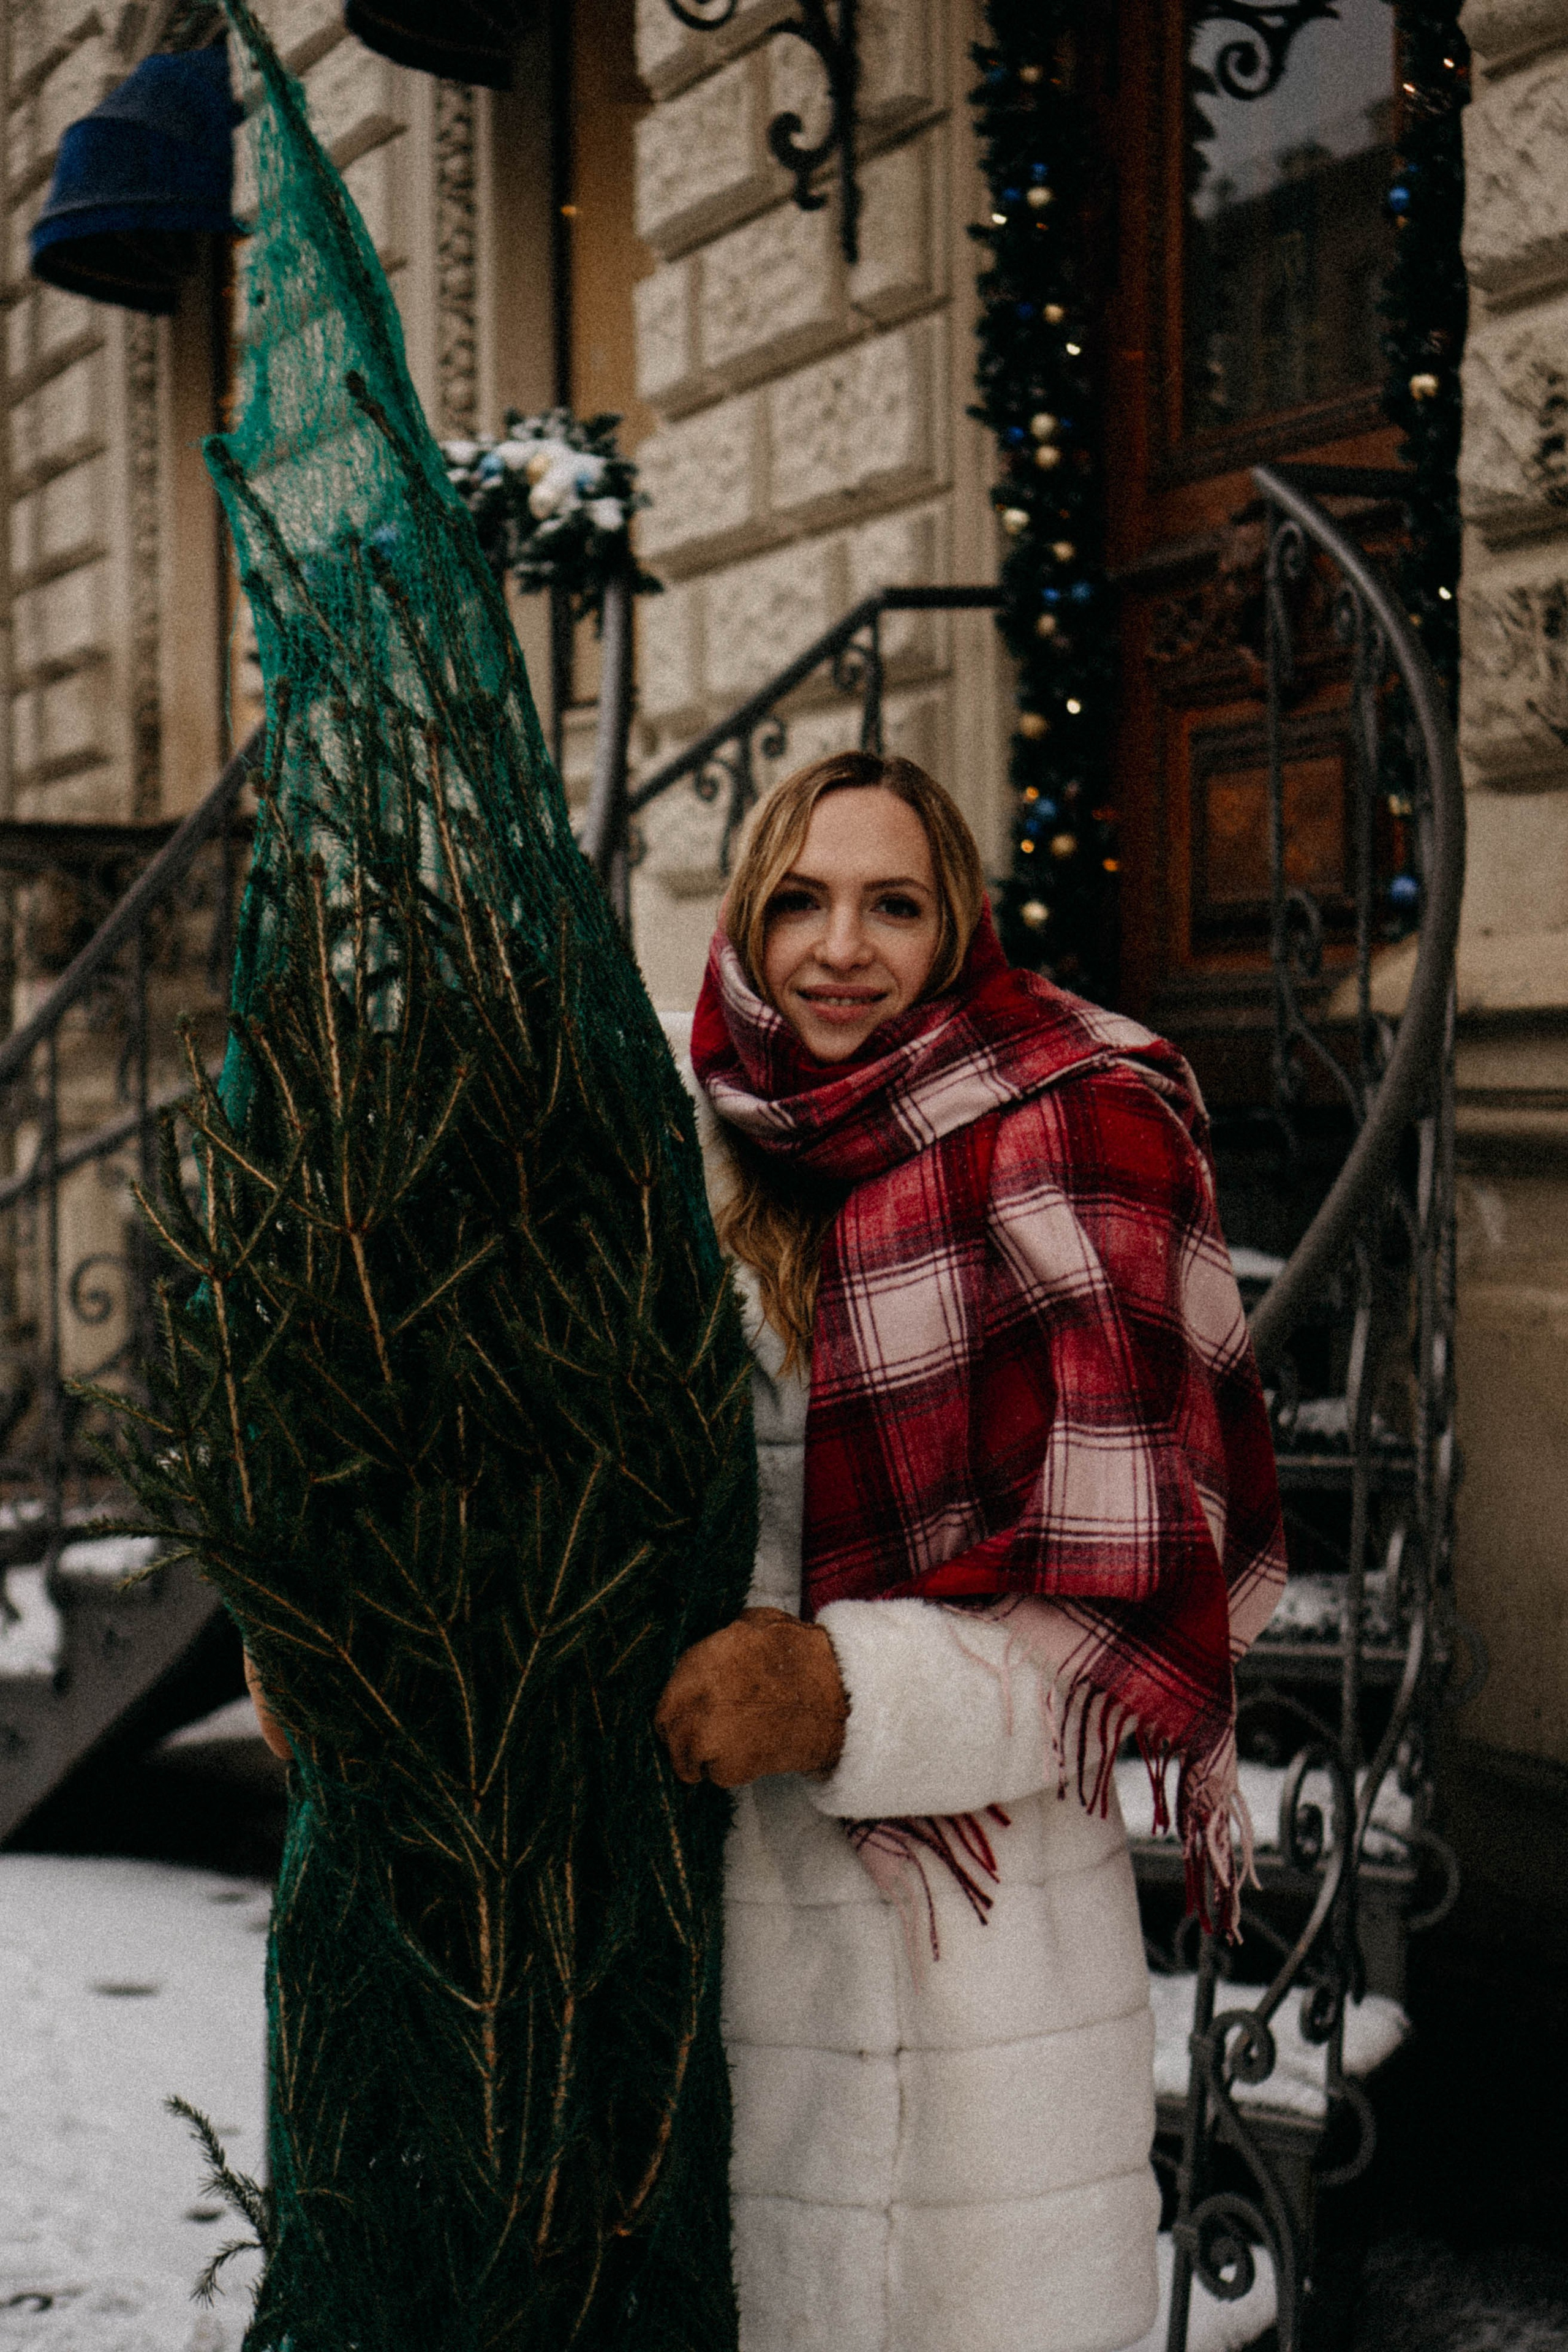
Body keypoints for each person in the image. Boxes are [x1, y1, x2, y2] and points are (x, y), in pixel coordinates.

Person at [653, 749, 1286, 2352]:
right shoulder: (675, 1143)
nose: (839, 947)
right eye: (796, 898)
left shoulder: (1078, 1133)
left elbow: (1125, 1617)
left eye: (893, 904)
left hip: (986, 1963)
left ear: (961, 931)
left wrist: (847, 1696)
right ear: (742, 917)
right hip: (702, 1915)